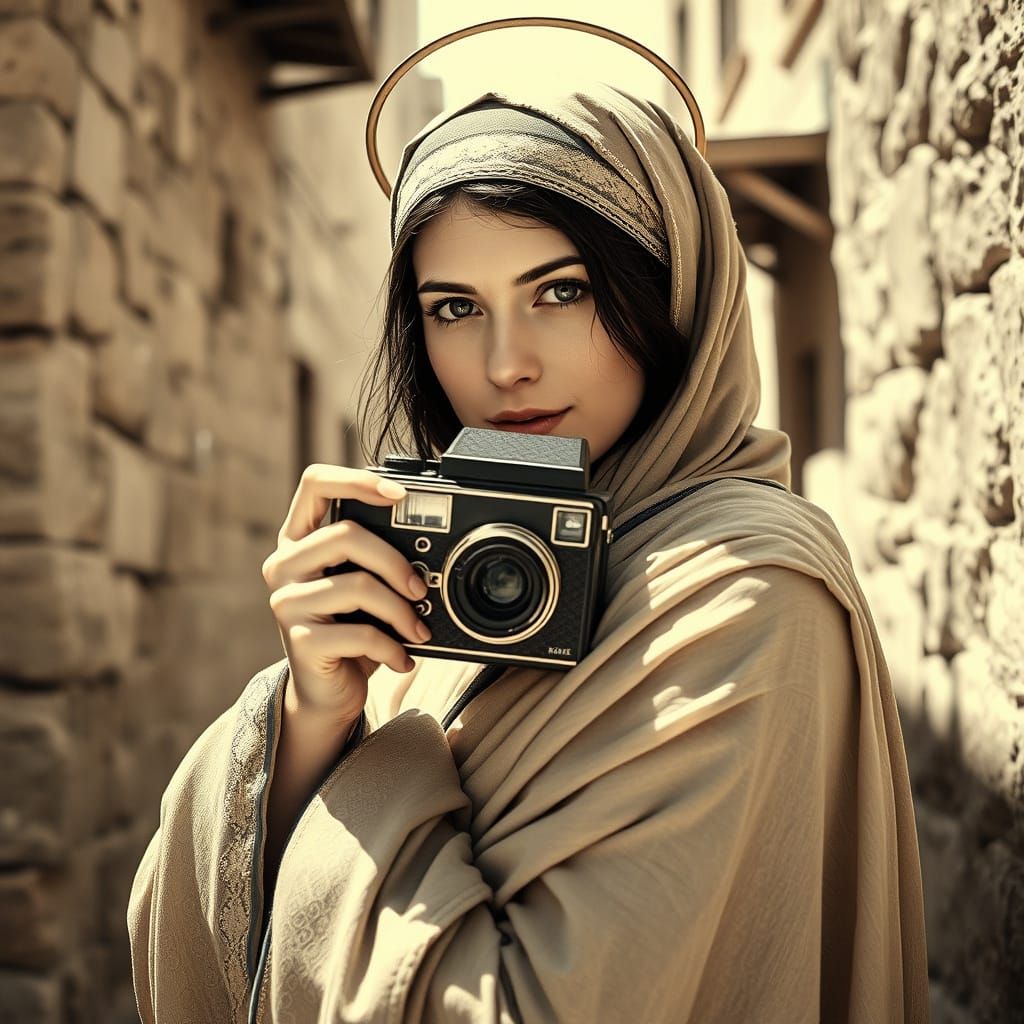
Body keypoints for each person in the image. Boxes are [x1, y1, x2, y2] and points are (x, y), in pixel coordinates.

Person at [127, 83, 929, 1022]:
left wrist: (376, 766)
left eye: (562, 291)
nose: (506, 364)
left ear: (669, 294)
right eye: (455, 307)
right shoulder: (446, 563)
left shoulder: (744, 592)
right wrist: (313, 718)